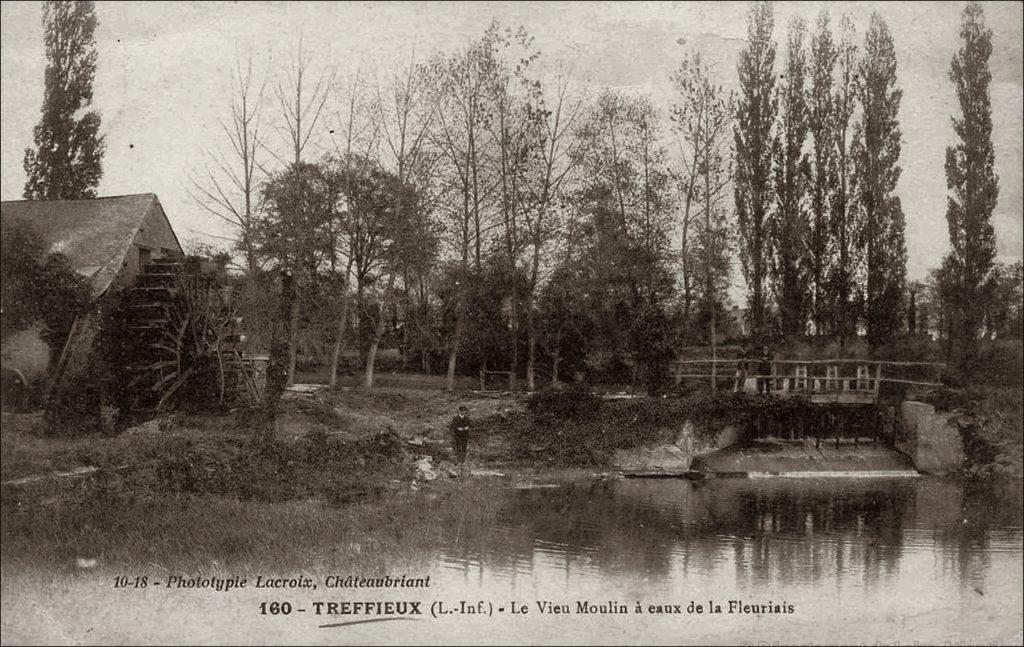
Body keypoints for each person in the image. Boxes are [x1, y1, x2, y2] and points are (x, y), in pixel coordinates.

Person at [449, 405, 472, 470]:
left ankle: (463, 461)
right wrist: (457, 428)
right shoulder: (456, 418)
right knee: (458, 447)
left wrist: (467, 427)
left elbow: (470, 424)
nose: (463, 412)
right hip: (458, 435)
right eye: (462, 411)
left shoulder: (467, 418)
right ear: (459, 411)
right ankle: (458, 461)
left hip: (465, 435)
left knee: (464, 447)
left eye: (464, 411)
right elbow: (452, 426)